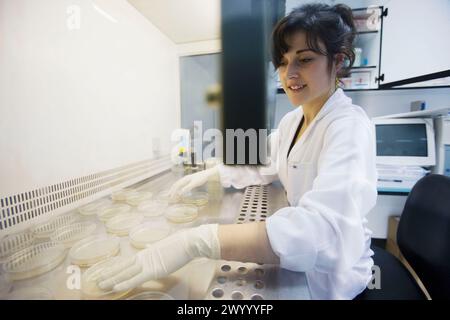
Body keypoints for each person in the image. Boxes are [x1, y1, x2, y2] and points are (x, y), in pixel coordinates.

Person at [98, 3, 378, 300]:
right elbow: (260, 164)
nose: (290, 73)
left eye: (304, 59)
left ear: (337, 61)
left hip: (333, 282)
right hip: (301, 268)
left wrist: (198, 241)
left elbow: (323, 232)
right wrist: (215, 172)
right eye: (282, 62)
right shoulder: (292, 121)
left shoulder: (348, 127)